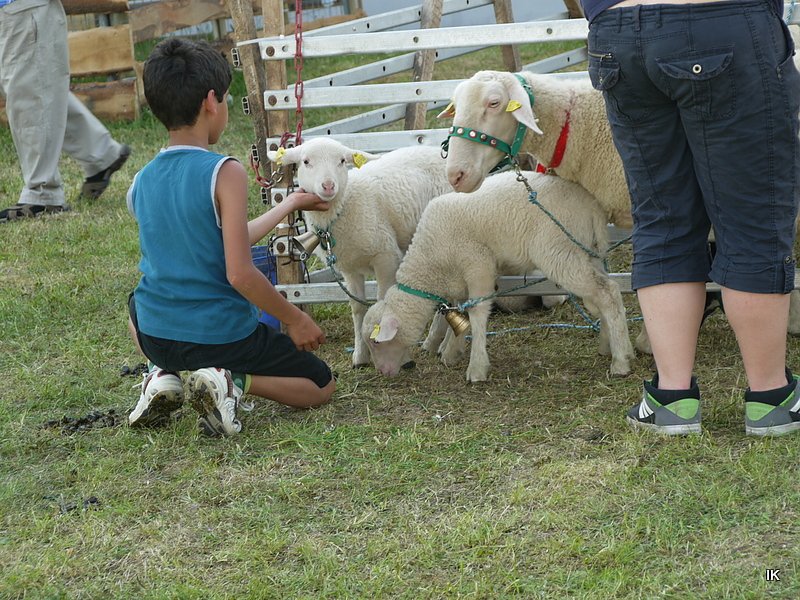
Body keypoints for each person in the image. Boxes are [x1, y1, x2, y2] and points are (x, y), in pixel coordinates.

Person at [581, 0, 800, 435]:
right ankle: (771, 400)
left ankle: (672, 400)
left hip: (618, 30)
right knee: (752, 217)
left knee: (663, 219)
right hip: (722, 20)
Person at [126, 37, 336, 437]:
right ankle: (232, 380)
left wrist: (288, 205)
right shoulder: (225, 171)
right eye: (224, 98)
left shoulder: (141, 181)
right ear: (211, 102)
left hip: (157, 336)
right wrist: (295, 320)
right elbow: (239, 272)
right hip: (222, 338)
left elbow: (222, 237)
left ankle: (162, 374)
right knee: (321, 384)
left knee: (135, 301)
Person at [0, 0, 131, 223]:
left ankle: (43, 194)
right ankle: (101, 153)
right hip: (20, 10)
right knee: (38, 89)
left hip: (23, 7)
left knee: (31, 94)